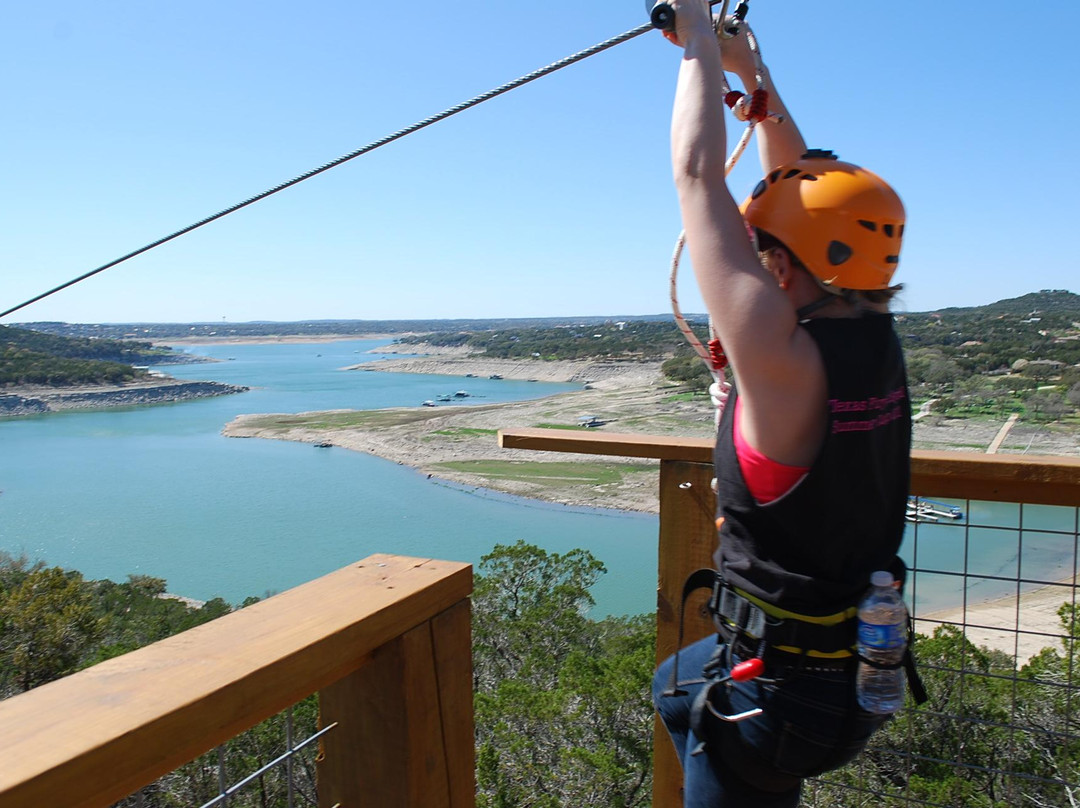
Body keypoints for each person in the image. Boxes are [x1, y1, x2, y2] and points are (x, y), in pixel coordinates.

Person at [651, 2, 912, 806]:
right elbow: (799, 186)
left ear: (787, 274)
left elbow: (699, 177)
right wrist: (752, 78)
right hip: (847, 667)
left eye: (764, 258)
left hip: (780, 694)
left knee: (707, 733)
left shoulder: (783, 359)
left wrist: (697, 38)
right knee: (672, 683)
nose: (754, 270)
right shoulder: (870, 331)